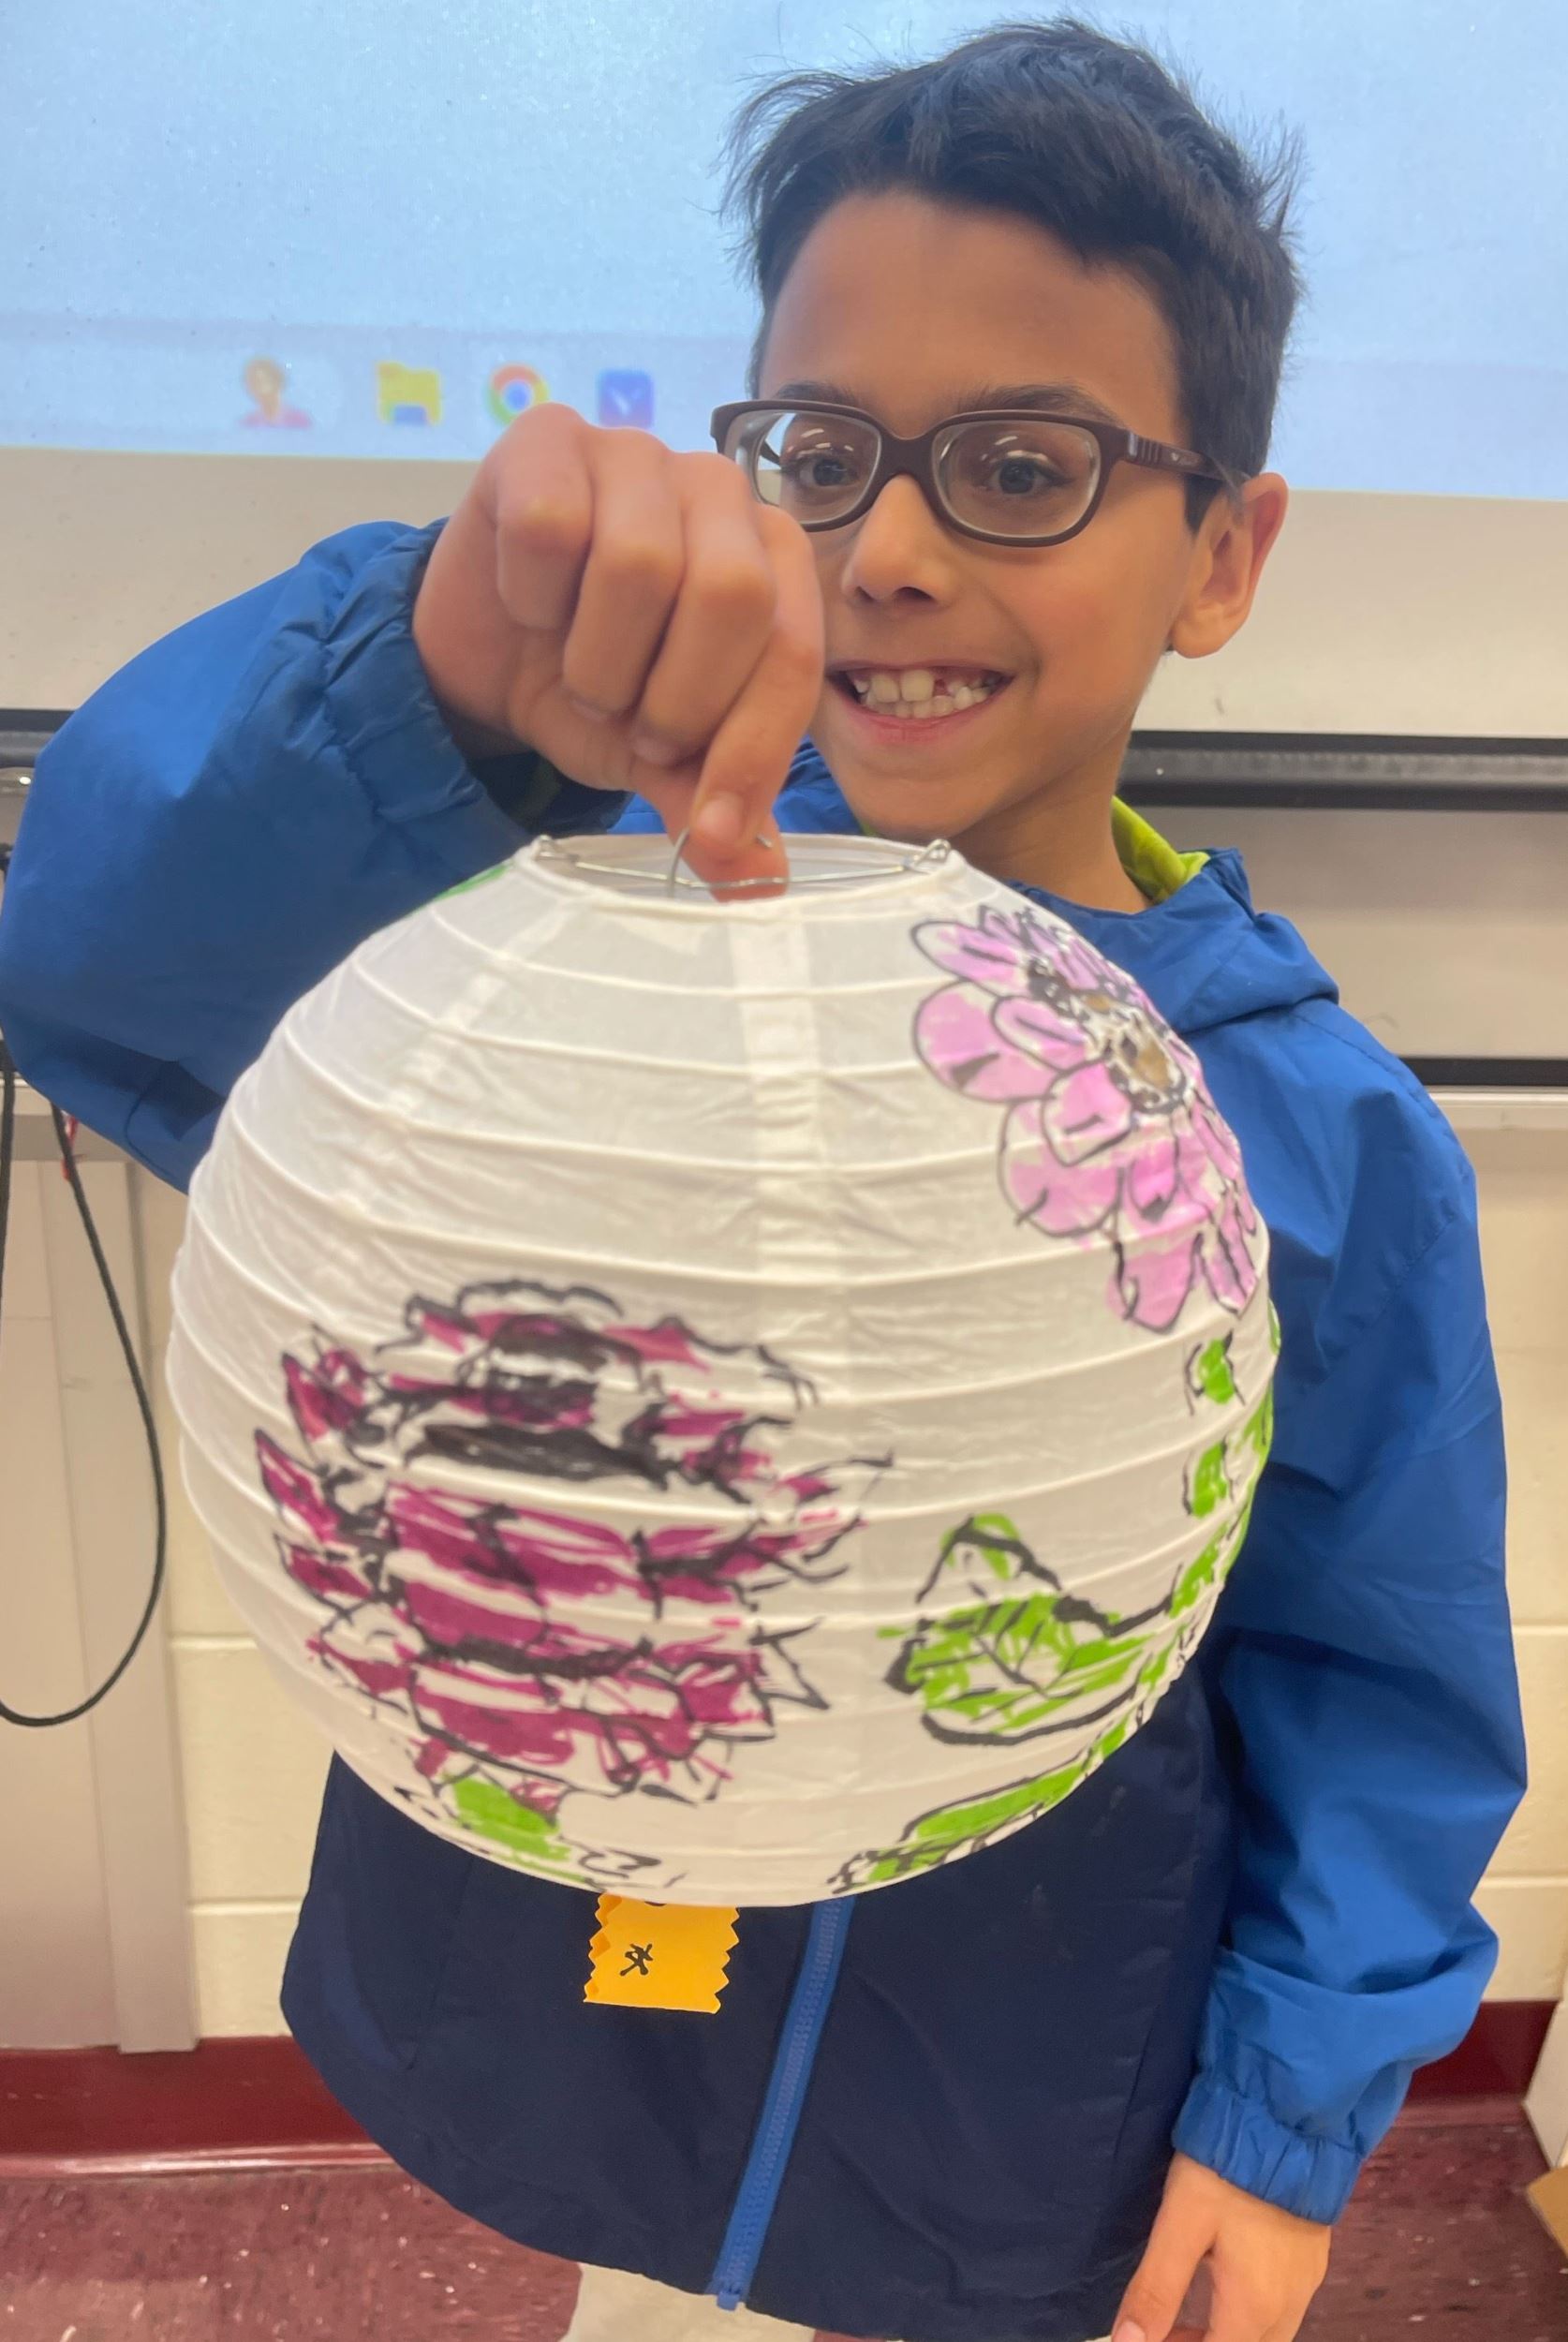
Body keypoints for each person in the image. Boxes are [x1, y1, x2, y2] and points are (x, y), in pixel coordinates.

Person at [0, 21, 1528, 2342]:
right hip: (574, 2062)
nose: (885, 552)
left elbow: (1378, 1684)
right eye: (819, 455)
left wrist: (1283, 2113)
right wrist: (428, 681)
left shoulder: (1314, 1135)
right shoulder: (547, 976)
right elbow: (101, 975)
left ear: (1223, 553)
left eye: (1023, 467)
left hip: (998, 2127)